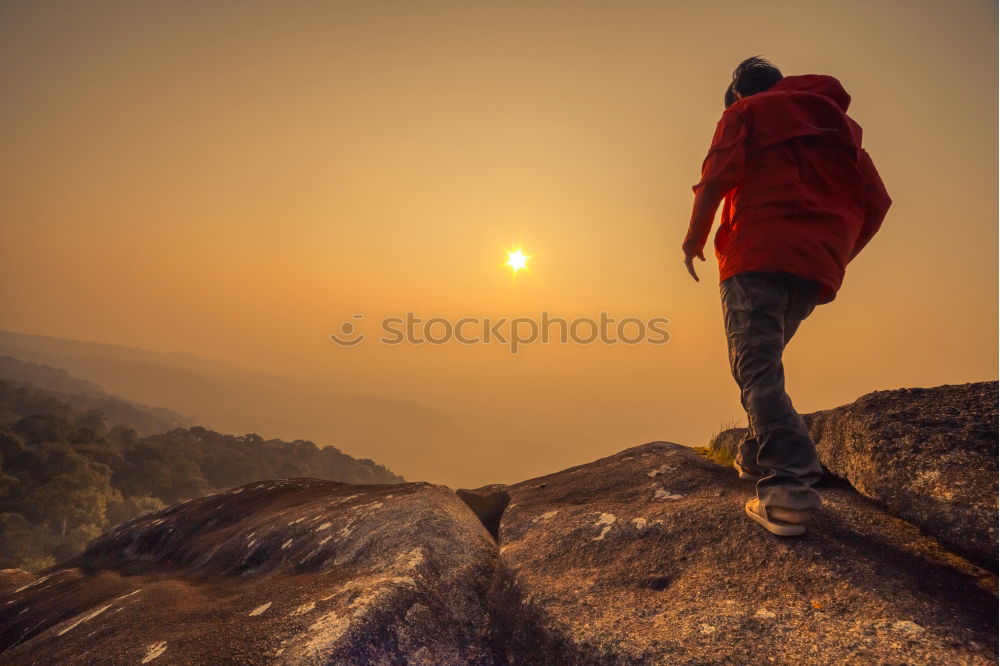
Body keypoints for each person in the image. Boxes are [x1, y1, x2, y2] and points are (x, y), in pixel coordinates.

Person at [681, 57, 891, 536]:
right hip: (812, 265)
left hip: (756, 253)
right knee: (764, 358)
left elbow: (717, 173)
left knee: (754, 365)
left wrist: (695, 237)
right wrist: (835, 253)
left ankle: (789, 487)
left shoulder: (746, 111)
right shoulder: (839, 126)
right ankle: (758, 454)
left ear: (737, 94)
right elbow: (877, 201)